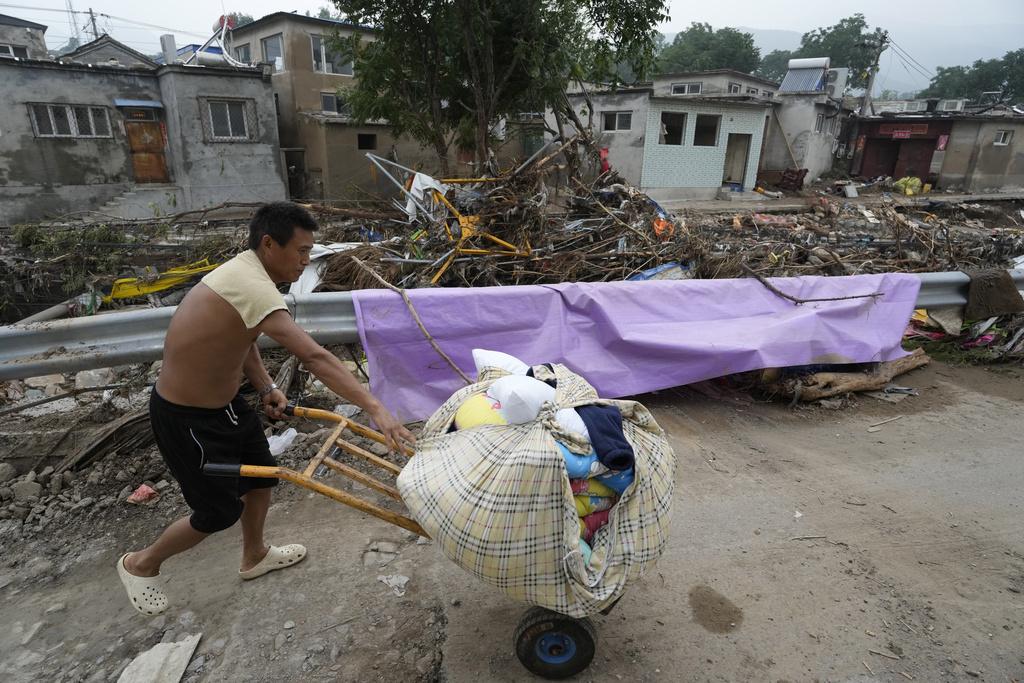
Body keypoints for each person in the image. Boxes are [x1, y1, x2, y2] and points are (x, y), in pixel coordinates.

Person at [116, 202, 414, 616]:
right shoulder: (252, 284)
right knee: (218, 511)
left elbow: (244, 334)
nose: (306, 261)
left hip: (225, 407)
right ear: (269, 243)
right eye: (301, 252)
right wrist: (376, 407)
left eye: (310, 251)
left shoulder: (249, 275)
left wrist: (266, 385)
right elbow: (314, 357)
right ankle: (141, 563)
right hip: (187, 419)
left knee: (262, 480)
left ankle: (254, 556)